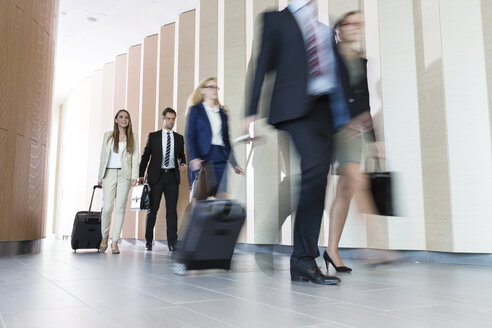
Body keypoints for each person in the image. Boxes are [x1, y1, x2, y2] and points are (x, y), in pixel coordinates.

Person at [245, 0, 352, 285]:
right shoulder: (275, 20)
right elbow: (261, 65)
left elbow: (338, 74)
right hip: (294, 108)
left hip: (325, 111)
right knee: (315, 171)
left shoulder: (325, 30)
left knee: (317, 179)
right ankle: (303, 258)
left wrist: (350, 116)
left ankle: (300, 261)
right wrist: (250, 111)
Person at [323, 10, 378, 273]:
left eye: (360, 23)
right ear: (338, 29)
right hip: (339, 128)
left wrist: (375, 140)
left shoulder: (360, 60)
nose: (357, 27)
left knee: (345, 190)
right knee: (358, 181)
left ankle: (332, 250)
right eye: (350, 23)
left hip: (359, 132)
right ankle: (378, 245)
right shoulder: (329, 55)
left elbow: (365, 103)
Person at [185, 77, 243, 200]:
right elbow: (190, 136)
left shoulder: (222, 113)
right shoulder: (195, 111)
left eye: (216, 87)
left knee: (223, 197)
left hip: (220, 157)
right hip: (202, 159)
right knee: (200, 198)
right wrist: (194, 158)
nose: (214, 90)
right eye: (211, 87)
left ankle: (221, 219)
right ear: (203, 90)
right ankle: (197, 219)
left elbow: (226, 140)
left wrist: (234, 163)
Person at [139, 108, 187, 251]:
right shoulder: (153, 136)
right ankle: (148, 241)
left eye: (173, 119)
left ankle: (172, 243)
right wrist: (141, 175)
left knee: (172, 211)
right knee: (152, 210)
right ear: (163, 119)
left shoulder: (179, 138)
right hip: (156, 177)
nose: (171, 121)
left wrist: (183, 163)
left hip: (172, 177)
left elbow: (181, 155)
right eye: (169, 118)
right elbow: (145, 157)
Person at [97, 109, 139, 254]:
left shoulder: (133, 137)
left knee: (120, 208)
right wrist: (99, 177)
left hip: (125, 175)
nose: (124, 119)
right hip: (108, 173)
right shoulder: (108, 136)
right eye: (121, 117)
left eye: (126, 117)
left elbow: (135, 158)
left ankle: (115, 242)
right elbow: (103, 157)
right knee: (107, 208)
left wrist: (134, 175)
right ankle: (104, 237)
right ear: (116, 119)